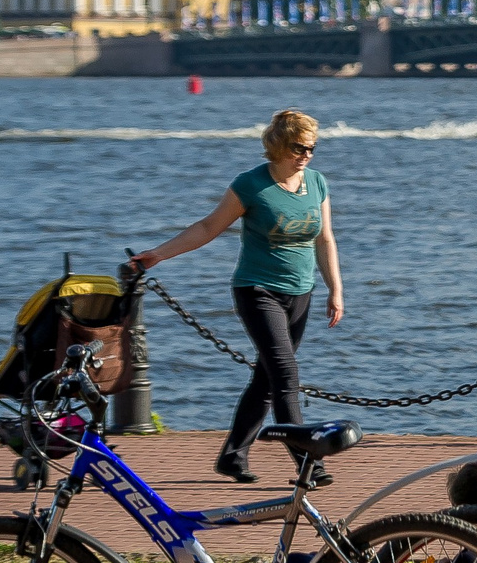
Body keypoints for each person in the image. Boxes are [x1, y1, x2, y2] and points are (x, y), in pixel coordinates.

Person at [127, 107, 341, 483]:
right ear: (278, 146)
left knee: (266, 378)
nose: (306, 155)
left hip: (300, 292)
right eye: (299, 147)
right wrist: (158, 254)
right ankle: (310, 463)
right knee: (285, 374)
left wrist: (335, 289)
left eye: (312, 148)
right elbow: (208, 227)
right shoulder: (251, 185)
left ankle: (232, 456)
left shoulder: (317, 183)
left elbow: (324, 239)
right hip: (257, 290)